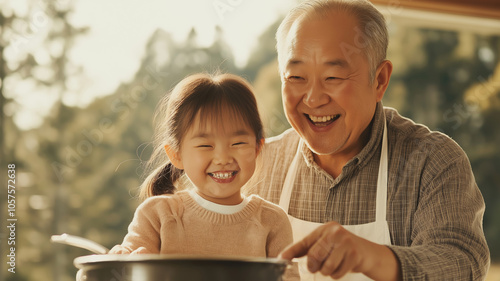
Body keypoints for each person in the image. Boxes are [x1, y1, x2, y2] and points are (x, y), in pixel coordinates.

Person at [244, 0, 491, 280]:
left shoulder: (431, 161)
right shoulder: (260, 165)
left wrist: (370, 256)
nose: (313, 98)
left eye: (332, 76)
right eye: (296, 77)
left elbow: (463, 263)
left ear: (380, 80)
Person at [108, 73, 298, 279]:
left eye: (237, 143)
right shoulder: (157, 216)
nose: (223, 158)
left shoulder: (272, 222)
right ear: (176, 154)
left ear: (257, 147)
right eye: (206, 145)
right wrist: (118, 266)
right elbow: (118, 272)